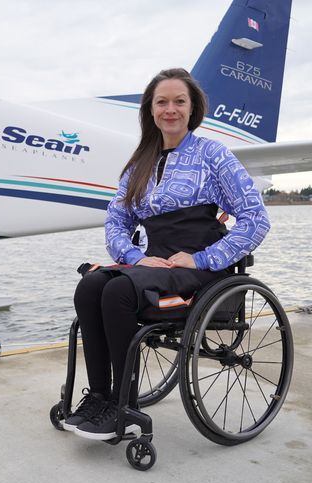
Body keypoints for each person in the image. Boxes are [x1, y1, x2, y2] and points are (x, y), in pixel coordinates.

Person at [64, 68, 271, 440]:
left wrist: (205, 257)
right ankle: (99, 397)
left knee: (117, 292)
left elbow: (256, 218)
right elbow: (116, 218)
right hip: (150, 260)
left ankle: (124, 404)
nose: (170, 109)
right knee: (90, 287)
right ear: (151, 109)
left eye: (179, 101)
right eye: (162, 102)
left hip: (197, 262)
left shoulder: (213, 155)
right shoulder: (141, 160)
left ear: (193, 109)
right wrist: (133, 255)